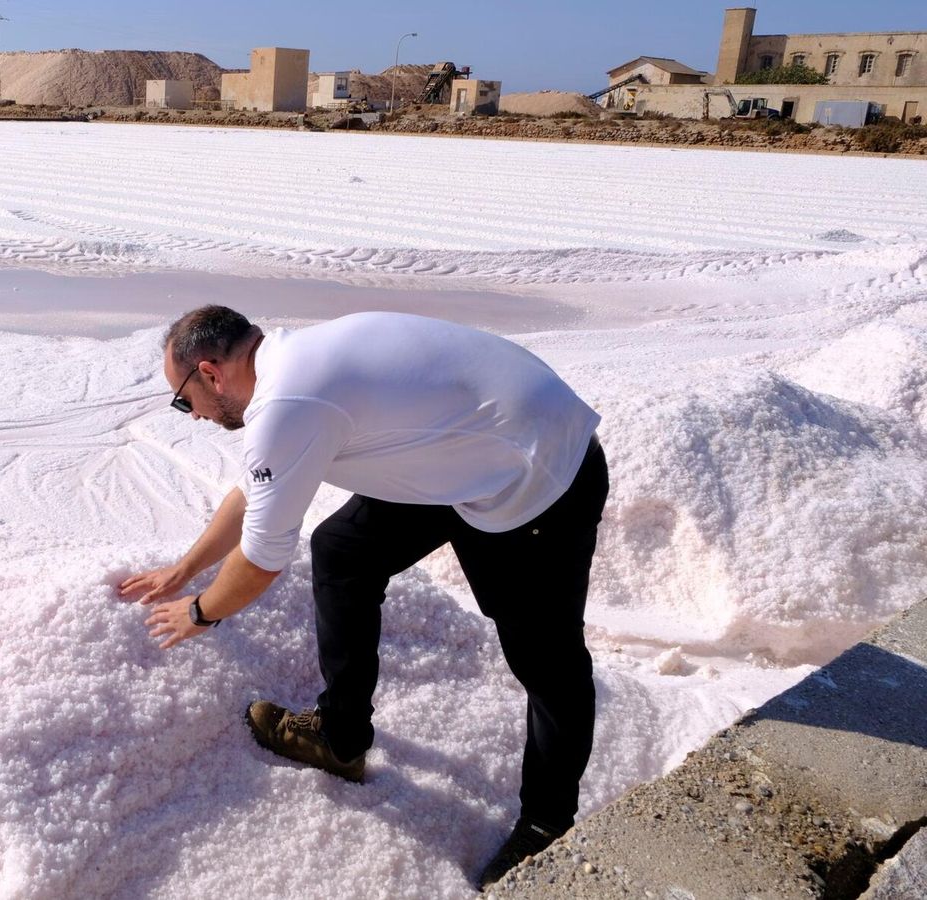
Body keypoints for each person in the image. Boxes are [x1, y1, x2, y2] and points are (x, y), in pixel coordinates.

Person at [117, 305, 608, 887]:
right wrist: (187, 567)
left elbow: (263, 560)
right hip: (461, 452)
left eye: (183, 399)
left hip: (539, 478)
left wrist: (201, 612)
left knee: (547, 663)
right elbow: (254, 490)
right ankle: (340, 737)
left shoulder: (288, 405)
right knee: (343, 549)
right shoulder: (297, 360)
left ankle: (547, 827)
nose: (192, 415)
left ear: (210, 371)